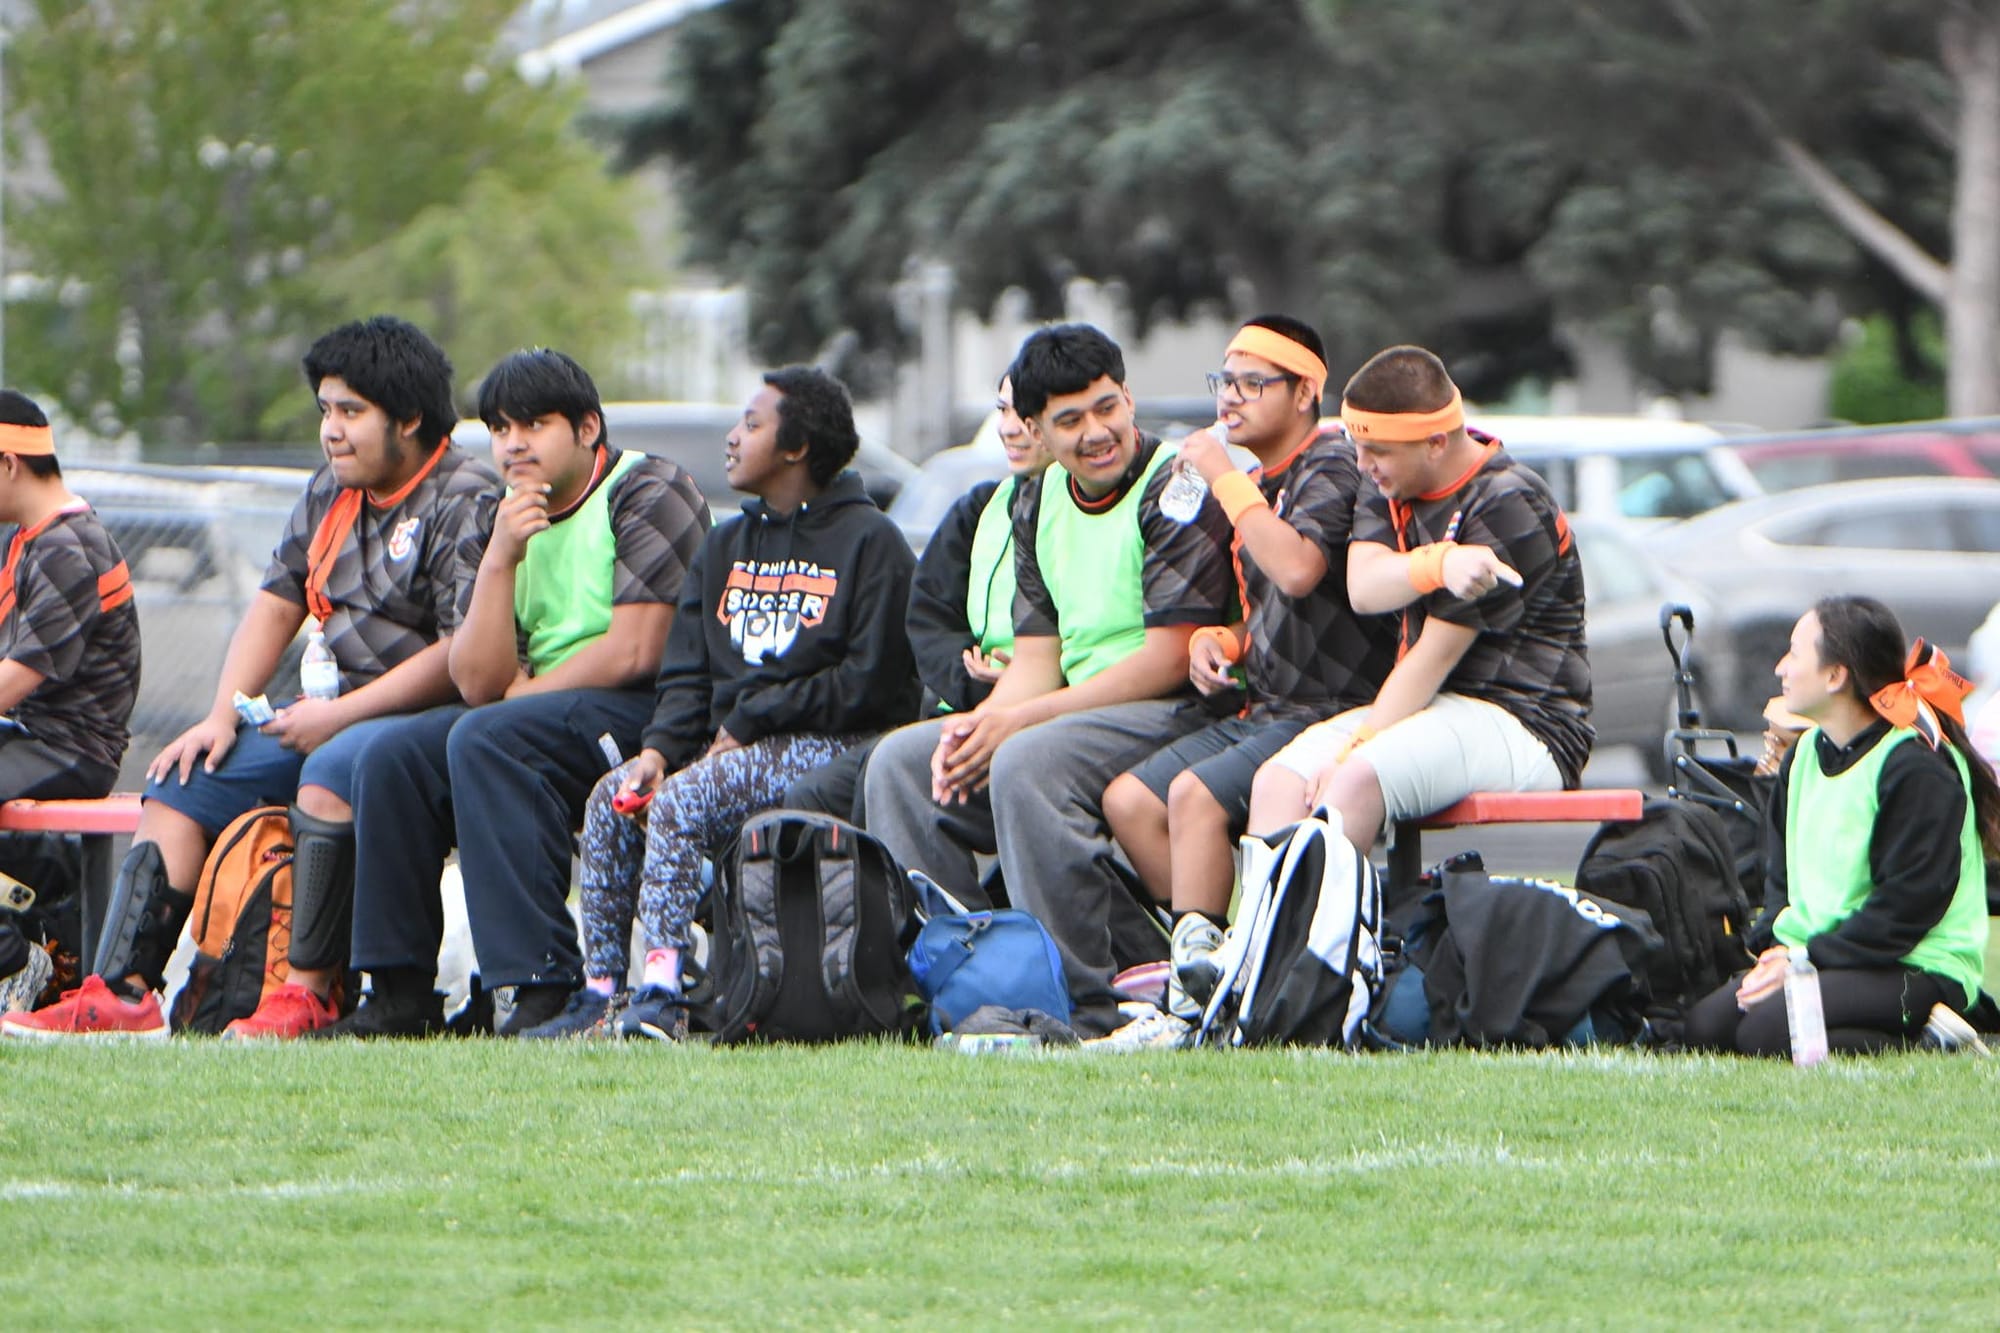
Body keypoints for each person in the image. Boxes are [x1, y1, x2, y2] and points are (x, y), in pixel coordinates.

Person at [3, 317, 498, 1041]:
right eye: (326, 409)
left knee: (329, 767)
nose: (331, 430)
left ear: (411, 418)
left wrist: (341, 716)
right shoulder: (331, 487)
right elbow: (275, 602)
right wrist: (222, 714)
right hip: (329, 707)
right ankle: (123, 994)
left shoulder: (464, 495)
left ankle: (304, 995)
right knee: (182, 775)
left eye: (352, 412)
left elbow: (460, 655)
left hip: (423, 716)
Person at [313, 348, 711, 1039]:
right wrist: (500, 559)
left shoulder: (648, 488)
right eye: (499, 428)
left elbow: (636, 647)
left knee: (489, 735)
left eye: (535, 424)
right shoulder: (494, 517)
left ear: (588, 429)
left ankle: (539, 982)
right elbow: (475, 678)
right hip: (541, 712)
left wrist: (521, 698)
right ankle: (400, 987)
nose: (513, 444)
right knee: (391, 756)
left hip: (647, 712)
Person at [864, 324, 1237, 1047]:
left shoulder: (1176, 484)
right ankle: (975, 990)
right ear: (1034, 428)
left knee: (1027, 760)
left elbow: (1169, 656)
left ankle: (1082, 1004)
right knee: (907, 765)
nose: (1097, 432)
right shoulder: (1035, 498)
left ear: (1129, 397)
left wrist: (1017, 724)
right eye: (1070, 420)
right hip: (1081, 709)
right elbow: (1038, 655)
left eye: (1107, 408)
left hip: (1180, 709)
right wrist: (982, 724)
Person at [525, 365, 919, 1040]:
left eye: (751, 424)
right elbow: (687, 676)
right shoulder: (726, 543)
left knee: (684, 802)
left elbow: (873, 681)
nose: (733, 439)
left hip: (836, 741)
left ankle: (663, 992)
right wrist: (655, 752)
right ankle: (601, 993)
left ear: (796, 447)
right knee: (613, 799)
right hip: (730, 745)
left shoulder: (870, 541)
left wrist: (751, 717)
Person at [1101, 317, 1397, 1016]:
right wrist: (1225, 641)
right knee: (1129, 801)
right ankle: (1221, 957)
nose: (1229, 397)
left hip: (1332, 709)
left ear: (1305, 394)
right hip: (1267, 705)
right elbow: (1269, 605)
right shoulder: (1265, 479)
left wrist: (1224, 479)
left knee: (1194, 796)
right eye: (1224, 381)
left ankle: (1211, 986)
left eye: (1252, 383)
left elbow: (1297, 568)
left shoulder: (1332, 462)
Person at [1246, 344, 1591, 872]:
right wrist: (1440, 562)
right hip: (1432, 709)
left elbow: (1433, 657)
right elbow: (1365, 587)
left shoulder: (1507, 498)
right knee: (1278, 781)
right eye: (1358, 448)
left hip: (1528, 724)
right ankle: (1263, 948)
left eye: (1377, 452)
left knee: (1356, 778)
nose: (1362, 466)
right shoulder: (1389, 481)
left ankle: (1323, 952)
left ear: (1435, 442)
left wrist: (1353, 748)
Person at [1684, 597, 1995, 1056]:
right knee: (1705, 1028)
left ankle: (1940, 1031)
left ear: (1836, 676)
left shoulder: (1917, 765)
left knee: (1767, 1034)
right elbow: (1780, 882)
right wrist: (1774, 949)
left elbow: (1904, 912)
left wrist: (1802, 959)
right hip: (1821, 958)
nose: (1779, 668)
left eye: (1794, 653)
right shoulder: (1803, 756)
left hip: (1913, 964)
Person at [780, 373, 1052, 826]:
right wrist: (970, 674)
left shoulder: (1077, 509)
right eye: (1001, 410)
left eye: (1023, 413)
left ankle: (945, 898)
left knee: (888, 779)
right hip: (961, 707)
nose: (1009, 427)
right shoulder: (982, 506)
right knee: (816, 795)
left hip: (1038, 710)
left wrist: (1020, 681)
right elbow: (928, 616)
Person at [0, 391, 143, 1013]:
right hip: (36, 735)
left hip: (71, 747)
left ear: (8, 464)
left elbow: (19, 675)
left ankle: (17, 961)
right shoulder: (36, 539)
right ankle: (41, 904)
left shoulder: (64, 546)